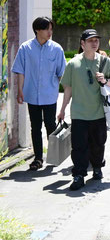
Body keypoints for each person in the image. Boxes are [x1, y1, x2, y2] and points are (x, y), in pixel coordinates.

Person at [58, 29, 110, 190]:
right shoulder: (73, 64)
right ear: (82, 44)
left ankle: (97, 167)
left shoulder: (105, 62)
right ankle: (79, 175)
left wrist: (105, 80)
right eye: (90, 40)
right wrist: (63, 109)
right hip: (78, 113)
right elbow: (68, 89)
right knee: (79, 146)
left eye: (96, 40)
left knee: (98, 144)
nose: (94, 43)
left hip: (99, 113)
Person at [11, 17, 66, 171]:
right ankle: (38, 158)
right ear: (37, 30)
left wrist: (68, 93)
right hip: (32, 95)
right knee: (35, 127)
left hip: (49, 95)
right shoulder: (25, 48)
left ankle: (54, 156)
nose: (50, 32)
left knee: (51, 126)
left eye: (51, 29)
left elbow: (62, 73)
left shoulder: (56, 49)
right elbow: (20, 71)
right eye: (47, 29)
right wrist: (20, 90)